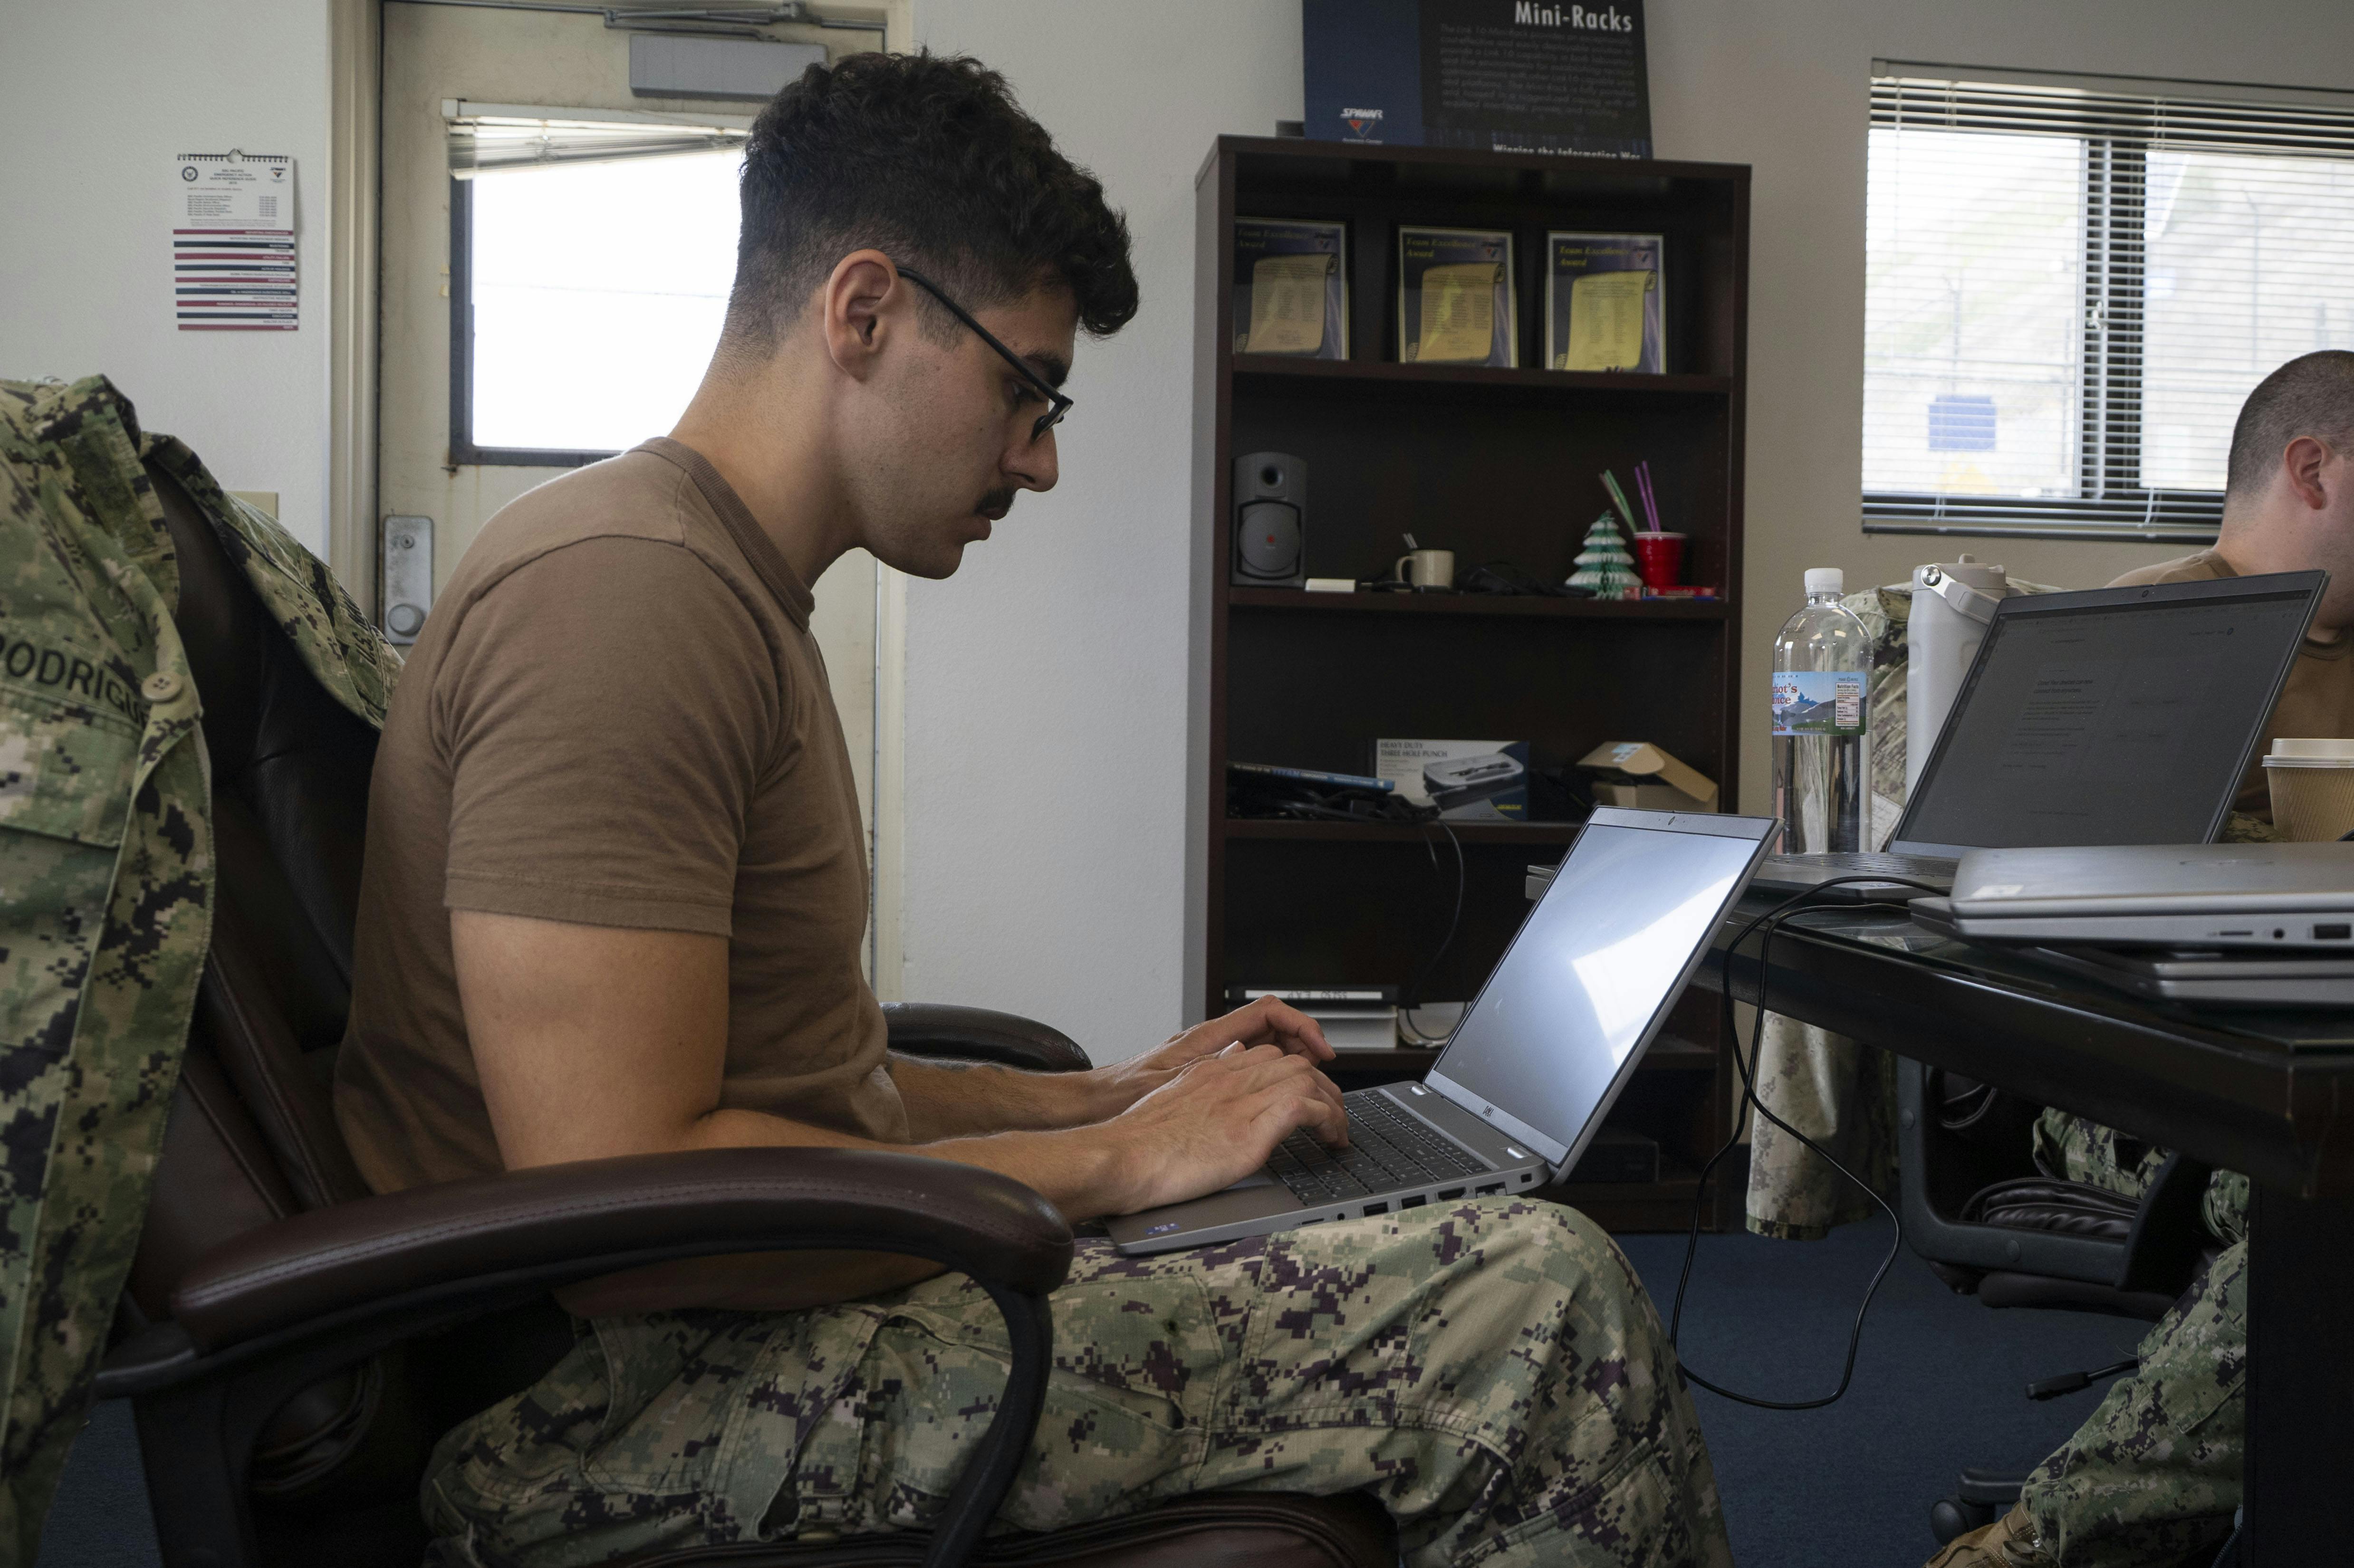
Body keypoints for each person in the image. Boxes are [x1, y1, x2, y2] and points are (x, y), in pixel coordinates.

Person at [332, 52, 1731, 1568]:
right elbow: (623, 1196)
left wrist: (1116, 1096)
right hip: (610, 1408)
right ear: (862, 313)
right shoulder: (624, 598)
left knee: (1366, 1219)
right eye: (1025, 387)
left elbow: (802, 1091)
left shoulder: (718, 587)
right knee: (1537, 1295)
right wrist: (1124, 1169)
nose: (1044, 459)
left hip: (728, 1339)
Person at [1929, 350, 2354, 1568]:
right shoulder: (2146, 639)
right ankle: (2052, 1548)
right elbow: (2012, 915)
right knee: (2327, 1199)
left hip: (2327, 1058)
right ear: (2311, 469)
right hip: (2146, 1084)